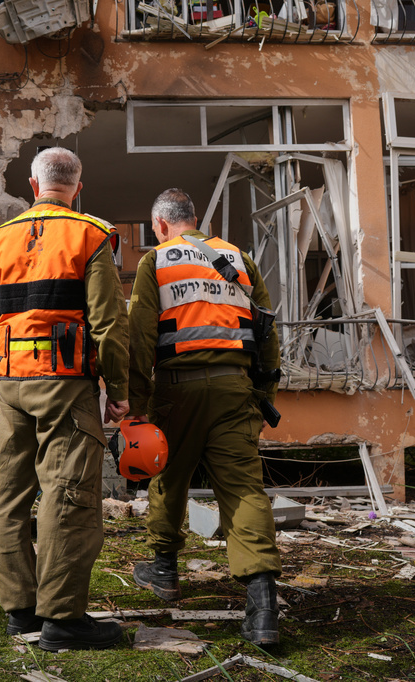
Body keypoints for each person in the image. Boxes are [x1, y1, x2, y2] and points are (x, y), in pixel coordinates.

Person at [0, 147, 130, 652]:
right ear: (77, 188)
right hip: (67, 385)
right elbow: (109, 323)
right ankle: (63, 619)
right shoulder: (92, 235)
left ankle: (20, 611)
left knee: (10, 495)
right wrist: (118, 390)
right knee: (68, 494)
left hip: (10, 385)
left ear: (33, 186)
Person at [127, 188, 283, 646]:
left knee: (168, 477)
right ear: (197, 221)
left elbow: (139, 338)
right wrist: (264, 395)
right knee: (244, 489)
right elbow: (267, 332)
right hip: (236, 389)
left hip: (176, 390)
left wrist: (135, 407)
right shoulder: (239, 259)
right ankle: (263, 608)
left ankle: (164, 572)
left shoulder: (155, 261)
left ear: (160, 225)